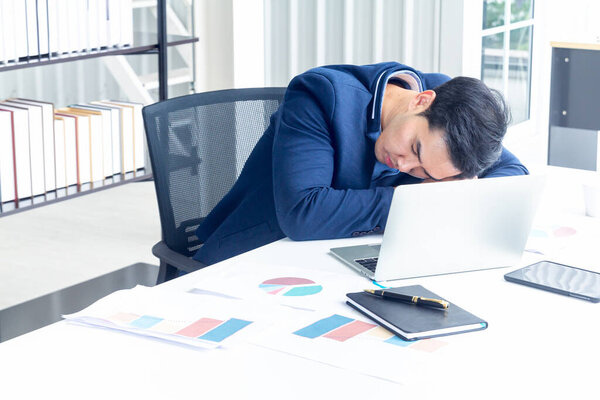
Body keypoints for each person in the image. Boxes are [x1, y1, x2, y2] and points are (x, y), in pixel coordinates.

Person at [192, 61, 528, 266]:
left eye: (424, 173)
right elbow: (303, 214)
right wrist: (422, 200)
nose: (402, 165)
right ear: (421, 101)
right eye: (414, 147)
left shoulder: (453, 111)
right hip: (253, 257)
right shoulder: (321, 97)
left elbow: (513, 177)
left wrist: (456, 186)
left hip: (340, 263)